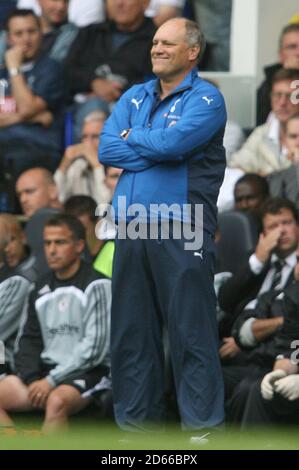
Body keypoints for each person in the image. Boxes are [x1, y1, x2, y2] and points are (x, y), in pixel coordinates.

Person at [99, 18, 227, 433]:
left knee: (192, 334)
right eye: (154, 42)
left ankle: (203, 434)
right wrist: (154, 146)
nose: (156, 48)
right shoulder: (136, 95)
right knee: (132, 336)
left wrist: (135, 138)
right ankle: (138, 436)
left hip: (182, 222)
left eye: (167, 43)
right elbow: (106, 146)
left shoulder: (207, 98)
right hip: (131, 224)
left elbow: (175, 146)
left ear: (192, 52)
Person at [0, 214, 111, 433]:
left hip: (88, 373)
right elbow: (27, 341)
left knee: (56, 401)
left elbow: (93, 351)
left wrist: (52, 381)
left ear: (79, 246)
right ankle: (18, 444)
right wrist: (33, 379)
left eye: (60, 242)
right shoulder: (38, 288)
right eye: (47, 243)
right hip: (43, 375)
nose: (51, 250)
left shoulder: (97, 285)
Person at [0, 8, 66, 176]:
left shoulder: (52, 69)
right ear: (8, 39)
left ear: (41, 33)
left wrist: (14, 68)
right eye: (19, 34)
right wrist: (29, 117)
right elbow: (29, 112)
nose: (26, 40)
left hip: (36, 148)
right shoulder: (1, 74)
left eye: (31, 32)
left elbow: (27, 108)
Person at [230, 68, 299, 176]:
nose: (282, 102)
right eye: (277, 95)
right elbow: (235, 168)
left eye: (290, 96)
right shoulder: (261, 133)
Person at [0, 214, 36, 376]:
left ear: (23, 237)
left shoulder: (21, 280)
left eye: (11, 240)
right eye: (2, 243)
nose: (6, 249)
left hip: (9, 366)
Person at [54, 111, 111, 204]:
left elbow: (105, 205)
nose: (87, 143)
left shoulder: (118, 167)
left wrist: (97, 166)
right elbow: (58, 199)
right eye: (84, 137)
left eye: (95, 136)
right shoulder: (78, 165)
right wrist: (63, 166)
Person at [0, 1, 78, 64]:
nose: (61, 6)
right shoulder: (12, 28)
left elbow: (53, 69)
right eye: (54, 0)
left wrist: (14, 69)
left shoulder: (71, 33)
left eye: (66, 1)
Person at [257, 23, 299, 126]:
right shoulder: (269, 82)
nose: (298, 52)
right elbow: (262, 119)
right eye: (292, 47)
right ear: (281, 54)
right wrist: (287, 75)